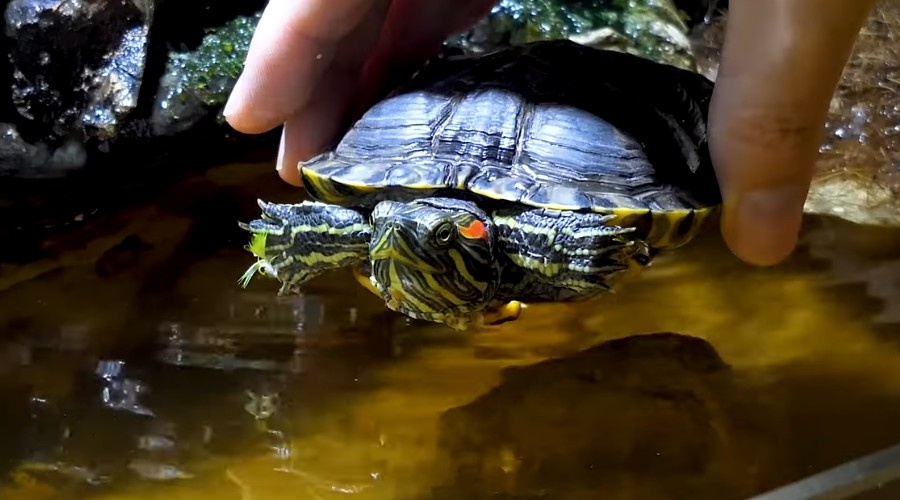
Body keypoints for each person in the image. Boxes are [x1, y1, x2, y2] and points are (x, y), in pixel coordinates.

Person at [223, 0, 877, 267]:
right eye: (403, 222)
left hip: (593, 168)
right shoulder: (395, 221)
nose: (399, 228)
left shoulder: (540, 237)